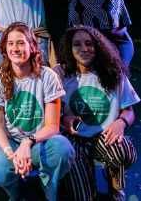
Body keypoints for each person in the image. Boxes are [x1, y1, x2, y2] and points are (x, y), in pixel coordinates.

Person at [0, 23, 74, 201]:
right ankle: (13, 193)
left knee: (62, 150)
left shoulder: (47, 76)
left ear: (32, 46)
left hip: (39, 142)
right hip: (9, 142)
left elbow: (53, 126)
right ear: (4, 47)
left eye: (21, 43)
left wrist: (28, 142)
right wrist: (11, 154)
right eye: (10, 43)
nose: (15, 48)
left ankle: (47, 188)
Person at [55, 27, 138, 201]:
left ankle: (116, 186)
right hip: (74, 138)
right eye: (77, 44)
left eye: (88, 44)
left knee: (122, 151)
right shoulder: (60, 73)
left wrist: (121, 122)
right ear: (69, 48)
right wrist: (62, 118)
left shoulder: (114, 72)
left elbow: (129, 111)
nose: (83, 48)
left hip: (104, 137)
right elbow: (47, 109)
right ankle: (86, 178)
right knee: (82, 197)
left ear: (98, 46)